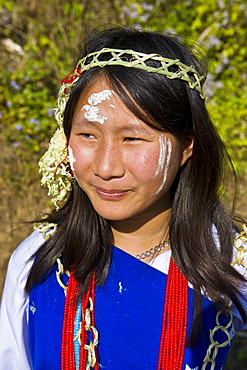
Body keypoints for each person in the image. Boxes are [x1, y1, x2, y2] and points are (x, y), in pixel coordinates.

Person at [0, 27, 247, 370]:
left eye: (132, 139)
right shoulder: (37, 260)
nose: (105, 167)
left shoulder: (229, 264)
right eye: (87, 135)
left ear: (186, 145)